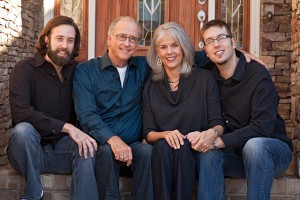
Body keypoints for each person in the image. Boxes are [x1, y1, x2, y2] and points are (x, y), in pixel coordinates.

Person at [197, 19, 293, 200]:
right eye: (210, 41)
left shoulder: (257, 75)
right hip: (236, 155)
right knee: (208, 153)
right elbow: (179, 55)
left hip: (271, 152)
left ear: (233, 43)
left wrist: (218, 141)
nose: (216, 44)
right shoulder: (208, 73)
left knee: (254, 145)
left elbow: (262, 127)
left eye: (221, 38)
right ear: (206, 52)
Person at [8, 15, 99, 200]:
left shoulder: (78, 71)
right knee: (22, 131)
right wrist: (67, 127)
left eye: (70, 40)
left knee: (86, 145)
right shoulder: (24, 69)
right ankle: (34, 193)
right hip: (28, 153)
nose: (64, 45)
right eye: (59, 38)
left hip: (62, 152)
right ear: (46, 39)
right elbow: (21, 113)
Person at [72, 16, 154, 200]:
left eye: (133, 39)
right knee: (107, 151)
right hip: (103, 144)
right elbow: (87, 115)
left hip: (134, 144)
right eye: (122, 37)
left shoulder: (143, 67)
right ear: (109, 39)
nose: (127, 43)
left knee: (148, 152)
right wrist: (113, 140)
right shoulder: (86, 71)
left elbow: (177, 55)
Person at [143, 22, 224, 200]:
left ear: (184, 47)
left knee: (180, 148)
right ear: (157, 52)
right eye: (163, 47)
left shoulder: (204, 79)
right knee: (164, 145)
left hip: (196, 153)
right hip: (164, 156)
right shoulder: (150, 86)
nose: (169, 52)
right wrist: (165, 134)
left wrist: (209, 134)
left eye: (175, 45)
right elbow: (148, 133)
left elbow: (218, 124)